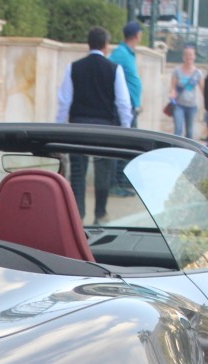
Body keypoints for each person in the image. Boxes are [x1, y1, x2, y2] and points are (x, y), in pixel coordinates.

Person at [55, 26, 133, 224]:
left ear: (88, 44)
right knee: (103, 171)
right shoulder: (115, 69)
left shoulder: (74, 67)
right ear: (106, 46)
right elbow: (123, 103)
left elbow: (65, 102)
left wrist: (58, 129)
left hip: (78, 126)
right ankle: (100, 214)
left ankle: (77, 215)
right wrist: (126, 131)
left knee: (78, 172)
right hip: (105, 129)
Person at [109, 21, 143, 194]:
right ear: (136, 35)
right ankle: (117, 184)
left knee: (131, 147)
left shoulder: (129, 53)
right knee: (123, 147)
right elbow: (109, 69)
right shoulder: (121, 53)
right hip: (124, 109)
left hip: (132, 107)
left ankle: (124, 182)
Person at [169, 45, 204, 139]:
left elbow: (203, 89)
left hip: (192, 106)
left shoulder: (198, 73)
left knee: (189, 132)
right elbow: (173, 87)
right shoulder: (177, 71)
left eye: (191, 55)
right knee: (178, 130)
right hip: (179, 105)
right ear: (183, 56)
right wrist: (172, 95)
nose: (189, 57)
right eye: (187, 55)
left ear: (194, 56)